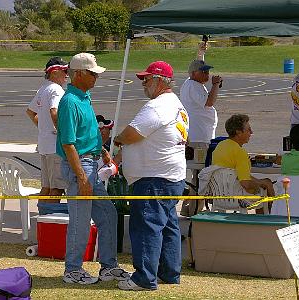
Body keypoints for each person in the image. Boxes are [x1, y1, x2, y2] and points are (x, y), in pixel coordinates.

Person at [114, 61, 189, 291]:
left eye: (146, 79)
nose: (143, 84)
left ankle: (144, 278)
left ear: (159, 81)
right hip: (169, 176)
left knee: (146, 225)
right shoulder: (175, 105)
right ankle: (169, 272)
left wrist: (116, 140)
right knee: (167, 225)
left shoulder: (157, 106)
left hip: (154, 178)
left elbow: (132, 133)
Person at [56, 53, 129, 285]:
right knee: (80, 220)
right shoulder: (69, 102)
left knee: (107, 214)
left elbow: (88, 131)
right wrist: (82, 178)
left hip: (90, 163)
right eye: (92, 73)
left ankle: (108, 266)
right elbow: (68, 143)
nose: (96, 76)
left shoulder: (84, 97)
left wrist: (103, 151)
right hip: (80, 167)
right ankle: (73, 270)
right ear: (78, 74)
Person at [179, 43, 223, 216]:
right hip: (199, 137)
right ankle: (194, 209)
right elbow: (209, 102)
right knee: (201, 173)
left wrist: (201, 52)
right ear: (193, 74)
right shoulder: (192, 86)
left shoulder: (194, 83)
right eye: (203, 72)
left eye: (207, 71)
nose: (207, 74)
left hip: (201, 135)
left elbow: (197, 64)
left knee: (198, 174)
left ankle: (190, 208)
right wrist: (215, 85)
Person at [26, 57, 69, 214]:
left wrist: (43, 128)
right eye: (65, 71)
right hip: (54, 147)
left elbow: (30, 112)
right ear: (55, 72)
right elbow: (54, 111)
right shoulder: (56, 89)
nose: (67, 75)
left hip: (44, 145)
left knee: (46, 187)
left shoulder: (43, 88)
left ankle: (42, 219)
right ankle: (49, 220)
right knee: (57, 188)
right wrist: (63, 132)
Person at [211, 114, 275, 211]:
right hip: (237, 198)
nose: (251, 132)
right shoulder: (239, 152)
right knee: (265, 189)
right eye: (248, 130)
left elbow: (236, 175)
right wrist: (261, 186)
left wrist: (262, 182)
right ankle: (267, 220)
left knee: (266, 182)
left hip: (220, 196)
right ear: (238, 132)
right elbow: (246, 184)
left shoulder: (220, 146)